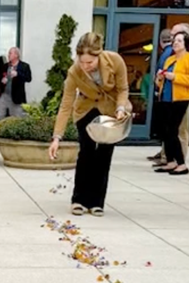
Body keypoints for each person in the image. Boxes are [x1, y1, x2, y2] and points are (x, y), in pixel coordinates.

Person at [48, 32, 129, 217]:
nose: (85, 66)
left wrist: (121, 107)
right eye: (82, 61)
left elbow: (123, 89)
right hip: (85, 111)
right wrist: (56, 137)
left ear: (99, 55)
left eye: (90, 63)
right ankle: (79, 200)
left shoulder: (115, 61)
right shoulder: (74, 71)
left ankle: (96, 201)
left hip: (110, 112)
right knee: (86, 152)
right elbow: (66, 103)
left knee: (104, 154)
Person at [154, 32, 189, 176]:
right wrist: (160, 78)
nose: (175, 43)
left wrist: (175, 77)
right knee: (165, 130)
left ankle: (181, 163)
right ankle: (170, 161)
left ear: (186, 43)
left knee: (173, 130)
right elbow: (160, 81)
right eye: (174, 40)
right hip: (166, 97)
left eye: (179, 41)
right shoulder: (170, 59)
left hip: (181, 99)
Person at [0, 47, 32, 120]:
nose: (8, 55)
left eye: (10, 53)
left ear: (16, 55)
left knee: (16, 119)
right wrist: (2, 80)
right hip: (4, 95)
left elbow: (28, 79)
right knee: (0, 116)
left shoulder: (24, 66)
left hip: (17, 97)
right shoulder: (5, 66)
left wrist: (18, 74)